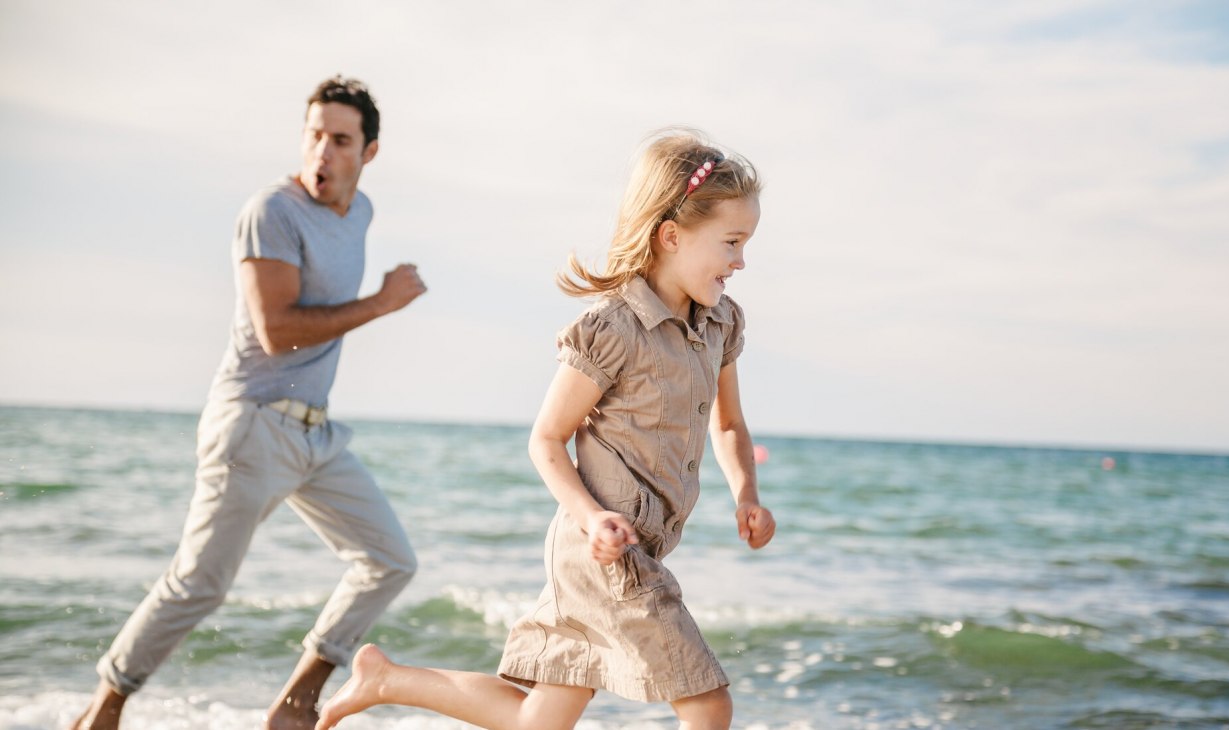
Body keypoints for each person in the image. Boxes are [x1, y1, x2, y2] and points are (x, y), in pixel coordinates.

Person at [314, 129, 776, 730]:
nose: (741, 261)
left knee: (538, 720)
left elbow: (731, 422)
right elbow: (546, 439)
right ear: (671, 236)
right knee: (709, 705)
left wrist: (747, 494)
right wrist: (591, 518)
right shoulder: (613, 329)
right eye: (732, 243)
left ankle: (386, 679)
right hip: (603, 553)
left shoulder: (719, 324)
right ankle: (384, 679)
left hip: (637, 547)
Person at [71, 76, 427, 730]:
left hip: (315, 437)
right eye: (314, 134)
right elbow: (278, 329)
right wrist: (381, 302)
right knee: (199, 583)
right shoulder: (272, 212)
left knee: (390, 560)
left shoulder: (362, 210)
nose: (323, 151)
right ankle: (103, 710)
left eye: (341, 140)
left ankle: (298, 699)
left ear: (367, 152)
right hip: (253, 426)